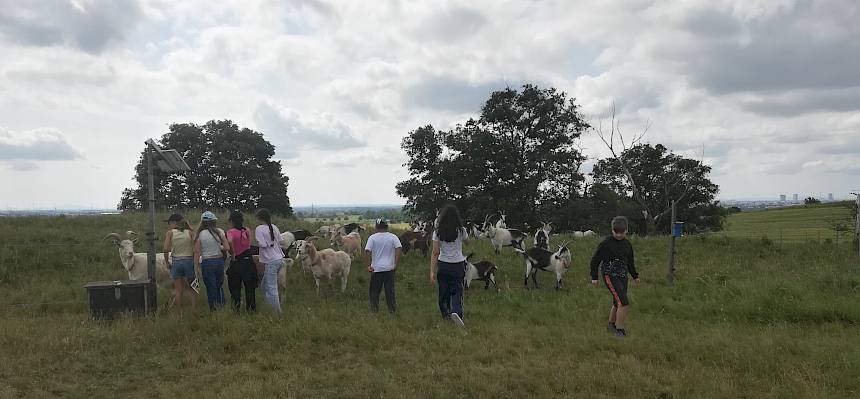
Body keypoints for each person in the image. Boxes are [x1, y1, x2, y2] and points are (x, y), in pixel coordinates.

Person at [590, 216, 640, 338]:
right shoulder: (605, 244)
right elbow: (595, 260)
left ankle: (611, 325)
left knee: (617, 302)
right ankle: (619, 329)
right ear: (612, 230)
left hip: (622, 275)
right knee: (624, 303)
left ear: (626, 230)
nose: (618, 235)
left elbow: (630, 262)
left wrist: (635, 276)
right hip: (609, 275)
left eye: (621, 232)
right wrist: (594, 277)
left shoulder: (627, 244)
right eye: (616, 232)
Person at [430, 204, 469, 328]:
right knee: (457, 291)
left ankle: (445, 314)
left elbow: (435, 252)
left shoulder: (438, 232)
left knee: (443, 291)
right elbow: (468, 243)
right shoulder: (461, 230)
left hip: (443, 264)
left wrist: (432, 271)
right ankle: (456, 312)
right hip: (458, 264)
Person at [364, 218, 402, 314]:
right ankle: (392, 311)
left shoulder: (372, 238)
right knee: (390, 291)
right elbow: (399, 248)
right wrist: (396, 264)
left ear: (376, 227)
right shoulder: (393, 237)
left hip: (376, 269)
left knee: (374, 292)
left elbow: (367, 251)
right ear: (387, 226)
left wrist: (368, 265)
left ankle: (374, 311)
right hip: (390, 268)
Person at [194, 211, 229, 311]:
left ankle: (213, 309)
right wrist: (219, 247)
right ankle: (221, 306)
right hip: (219, 261)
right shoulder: (220, 231)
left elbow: (197, 253)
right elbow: (227, 247)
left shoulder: (200, 234)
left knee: (211, 287)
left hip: (207, 262)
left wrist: (195, 267)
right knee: (219, 286)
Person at [254, 208, 285, 313]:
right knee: (264, 285)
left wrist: (259, 242)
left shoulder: (259, 229)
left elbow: (263, 244)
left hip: (271, 261)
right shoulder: (274, 227)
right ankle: (270, 305)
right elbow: (281, 242)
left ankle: (277, 312)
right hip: (280, 259)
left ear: (259, 218)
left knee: (271, 287)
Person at [164, 213, 196, 313]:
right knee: (191, 288)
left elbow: (166, 249)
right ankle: (194, 310)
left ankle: (179, 311)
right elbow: (196, 245)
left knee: (178, 290)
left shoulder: (170, 233)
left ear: (174, 223)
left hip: (176, 261)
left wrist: (166, 262)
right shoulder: (190, 233)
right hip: (188, 261)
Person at [226, 210, 257, 313]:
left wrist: (232, 251)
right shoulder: (247, 230)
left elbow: (229, 241)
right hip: (248, 261)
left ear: (231, 221)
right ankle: (251, 309)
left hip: (237, 262)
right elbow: (249, 243)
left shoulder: (231, 232)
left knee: (235, 288)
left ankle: (236, 309)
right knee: (250, 287)